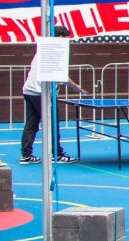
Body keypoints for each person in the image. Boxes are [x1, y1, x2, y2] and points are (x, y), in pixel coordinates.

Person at [20, 25, 86, 164]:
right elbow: (62, 76)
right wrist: (77, 88)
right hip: (41, 93)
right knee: (53, 123)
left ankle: (26, 155)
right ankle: (57, 153)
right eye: (66, 39)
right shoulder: (54, 51)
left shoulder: (43, 50)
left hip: (29, 90)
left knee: (31, 123)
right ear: (59, 38)